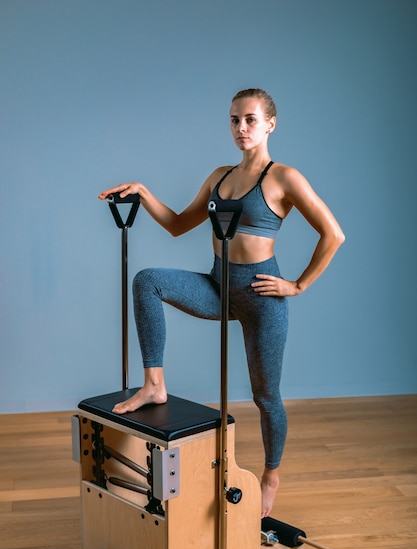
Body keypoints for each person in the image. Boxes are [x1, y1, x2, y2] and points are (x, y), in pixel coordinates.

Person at [99, 88, 345, 518]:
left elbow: (333, 234)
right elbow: (178, 225)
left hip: (259, 297)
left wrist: (297, 285)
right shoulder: (219, 176)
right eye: (234, 120)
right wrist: (143, 191)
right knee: (148, 281)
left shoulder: (284, 177)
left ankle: (270, 475)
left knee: (266, 396)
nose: (241, 128)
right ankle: (155, 384)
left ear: (270, 123)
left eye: (250, 119)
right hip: (217, 286)